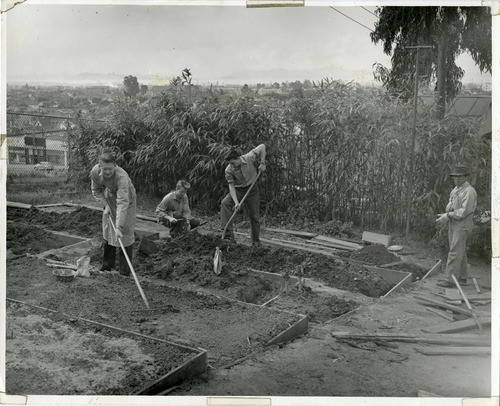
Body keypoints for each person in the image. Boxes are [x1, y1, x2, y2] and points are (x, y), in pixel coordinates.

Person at [90, 152, 137, 276]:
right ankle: (107, 266)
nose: (107, 172)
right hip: (109, 196)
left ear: (115, 166)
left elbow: (122, 202)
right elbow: (96, 190)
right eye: (104, 169)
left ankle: (124, 272)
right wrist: (105, 205)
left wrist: (119, 227)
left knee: (124, 232)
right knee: (108, 230)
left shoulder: (122, 177)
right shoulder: (95, 172)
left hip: (127, 198)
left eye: (110, 169)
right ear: (100, 166)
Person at [436, 165, 477, 288]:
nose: (457, 179)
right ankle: (462, 277)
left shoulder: (469, 191)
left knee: (454, 251)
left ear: (466, 177)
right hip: (453, 222)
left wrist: (448, 215)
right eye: (455, 177)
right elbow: (451, 205)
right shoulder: (455, 190)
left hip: (463, 224)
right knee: (460, 250)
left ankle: (450, 280)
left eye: (459, 177)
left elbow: (464, 211)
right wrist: (446, 214)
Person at [221, 144, 266, 246]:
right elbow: (231, 187)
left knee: (254, 215)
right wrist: (236, 202)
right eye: (230, 164)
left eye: (233, 163)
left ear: (238, 158)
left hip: (252, 189)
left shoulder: (249, 157)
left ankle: (255, 242)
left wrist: (263, 162)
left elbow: (262, 146)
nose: (232, 165)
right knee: (225, 203)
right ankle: (228, 236)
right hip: (238, 190)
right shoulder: (228, 170)